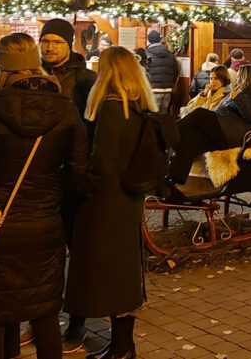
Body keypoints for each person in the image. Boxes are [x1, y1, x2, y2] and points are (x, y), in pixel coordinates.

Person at [0, 33, 90, 359]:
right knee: (43, 310)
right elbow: (79, 168)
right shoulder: (65, 108)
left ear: (4, 67)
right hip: (44, 221)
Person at [66, 47, 178, 359]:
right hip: (128, 200)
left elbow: (103, 164)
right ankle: (121, 345)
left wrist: (79, 188)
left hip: (106, 204)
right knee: (124, 272)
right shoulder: (137, 105)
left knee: (110, 274)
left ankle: (122, 347)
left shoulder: (113, 107)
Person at [37, 18, 97, 351]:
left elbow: (93, 125)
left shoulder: (86, 79)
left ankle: (77, 321)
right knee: (45, 251)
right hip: (40, 176)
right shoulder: (31, 77)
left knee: (77, 249)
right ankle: (42, 316)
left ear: (68, 45)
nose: (49, 48)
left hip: (73, 175)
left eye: (56, 42)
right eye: (44, 41)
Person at [171, 64, 251, 185]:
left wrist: (238, 98)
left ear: (247, 77)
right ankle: (174, 181)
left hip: (231, 133)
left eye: (239, 76)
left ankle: (168, 132)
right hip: (225, 128)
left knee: (199, 114)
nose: (237, 79)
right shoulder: (243, 91)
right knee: (191, 143)